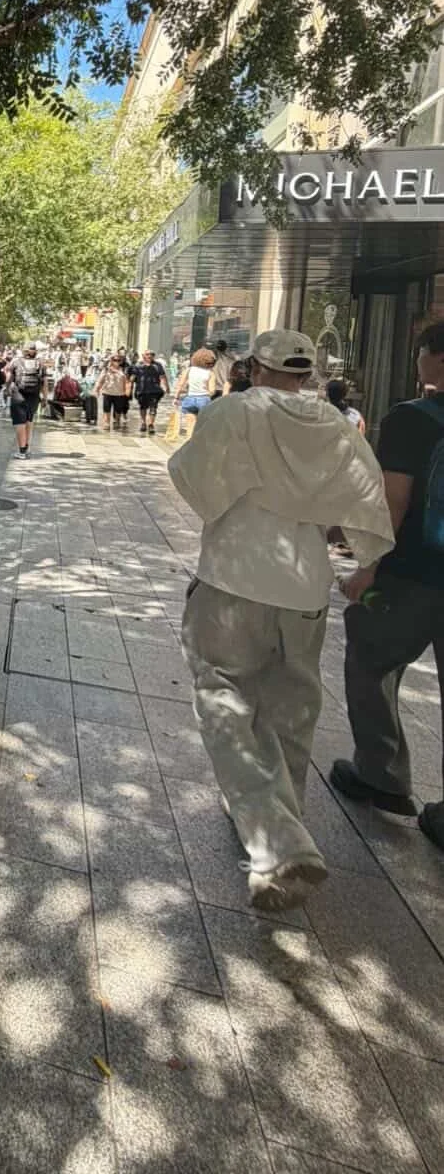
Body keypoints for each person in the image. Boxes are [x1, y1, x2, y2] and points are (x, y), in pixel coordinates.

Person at [168, 329, 394, 911]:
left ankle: (278, 841)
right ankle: (281, 837)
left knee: (223, 700)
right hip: (304, 587)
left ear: (256, 368)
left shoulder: (236, 411)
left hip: (232, 578)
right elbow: (368, 504)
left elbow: (190, 477)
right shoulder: (336, 426)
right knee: (291, 713)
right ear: (307, 373)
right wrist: (363, 560)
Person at [330, 321, 444, 851]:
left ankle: (382, 774)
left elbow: (393, 503)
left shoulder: (412, 419)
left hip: (412, 576)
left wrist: (367, 568)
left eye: (420, 352)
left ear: (437, 359)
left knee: (371, 659)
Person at [6, 344, 45, 458]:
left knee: (20, 422)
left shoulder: (16, 361)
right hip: (34, 397)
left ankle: (22, 451)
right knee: (29, 420)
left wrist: (7, 389)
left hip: (18, 395)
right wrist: (45, 398)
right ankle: (26, 448)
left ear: (24, 351)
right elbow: (45, 383)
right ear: (35, 352)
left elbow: (9, 378)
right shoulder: (40, 364)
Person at [173, 346, 216, 435]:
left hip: (190, 398)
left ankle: (190, 440)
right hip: (204, 399)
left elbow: (180, 384)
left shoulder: (189, 370)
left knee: (190, 427)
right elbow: (212, 391)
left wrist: (176, 397)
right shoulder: (210, 373)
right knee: (203, 427)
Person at [129, 349, 168, 435]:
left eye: (152, 354)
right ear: (143, 356)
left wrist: (166, 387)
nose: (149, 356)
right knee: (143, 407)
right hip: (141, 391)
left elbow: (162, 376)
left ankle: (151, 424)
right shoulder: (138, 365)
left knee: (153, 408)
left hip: (154, 390)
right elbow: (132, 377)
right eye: (147, 354)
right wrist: (128, 386)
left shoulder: (158, 365)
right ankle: (143, 423)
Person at [95, 354, 131, 433]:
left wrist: (127, 391)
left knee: (118, 410)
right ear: (111, 361)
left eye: (118, 360)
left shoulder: (123, 370)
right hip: (108, 392)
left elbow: (127, 381)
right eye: (115, 360)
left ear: (121, 361)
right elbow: (100, 380)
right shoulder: (106, 370)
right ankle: (107, 423)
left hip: (119, 393)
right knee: (106, 409)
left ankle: (117, 420)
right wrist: (97, 390)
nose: (116, 362)